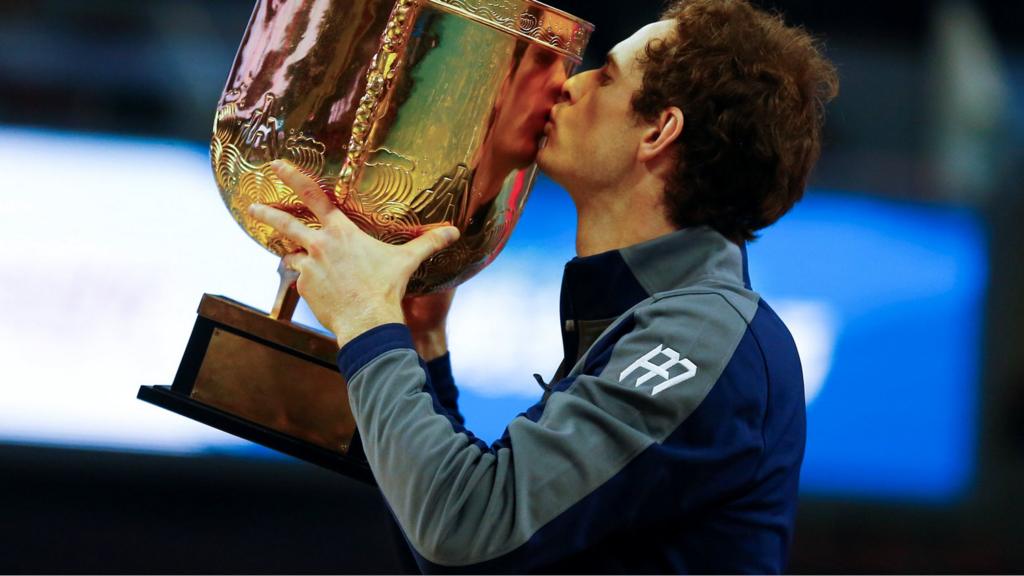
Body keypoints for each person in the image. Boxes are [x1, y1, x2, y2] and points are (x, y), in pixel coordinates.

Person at [250, 0, 838, 572]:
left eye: (605, 77)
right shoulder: (653, 317)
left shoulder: (703, 334)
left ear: (660, 131)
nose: (569, 86)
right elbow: (456, 551)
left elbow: (464, 529)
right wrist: (420, 345)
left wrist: (366, 320)